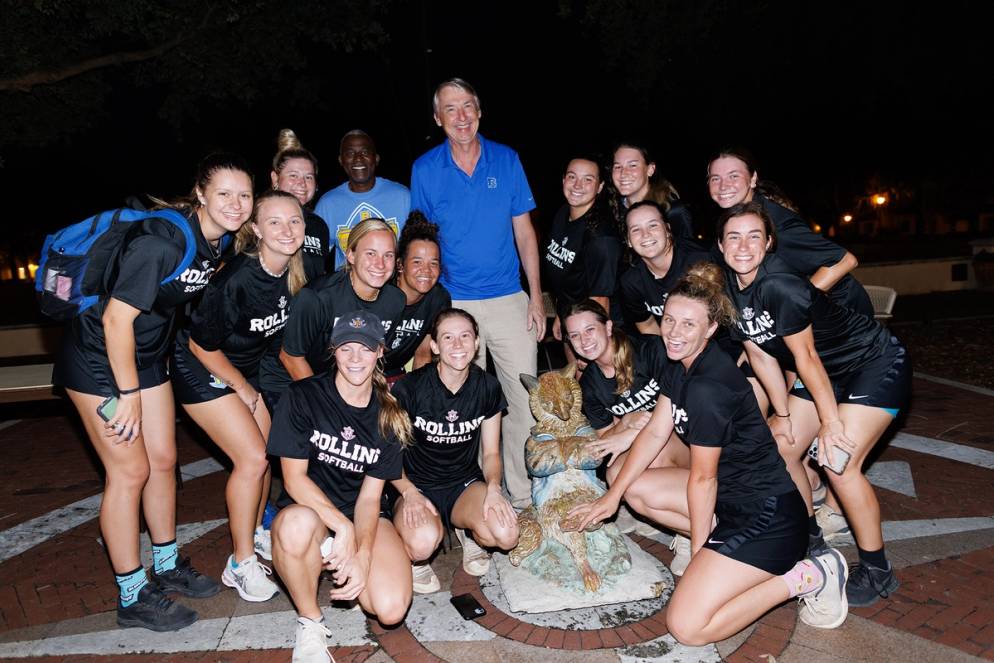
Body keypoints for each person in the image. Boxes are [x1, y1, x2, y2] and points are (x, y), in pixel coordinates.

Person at [569, 264, 849, 644]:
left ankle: (811, 575)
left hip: (766, 516)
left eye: (688, 324)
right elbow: (654, 432)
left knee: (687, 626)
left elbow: (704, 479)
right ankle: (721, 552)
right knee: (632, 486)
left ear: (711, 329)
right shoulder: (677, 364)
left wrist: (700, 553)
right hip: (729, 504)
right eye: (669, 320)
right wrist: (610, 498)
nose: (674, 332)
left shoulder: (708, 388)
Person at [51, 152, 253, 631]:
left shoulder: (218, 240)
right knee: (130, 470)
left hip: (145, 359)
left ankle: (165, 567)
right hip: (98, 360)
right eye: (224, 193)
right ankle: (131, 592)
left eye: (244, 195)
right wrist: (128, 395)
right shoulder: (162, 240)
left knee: (164, 460)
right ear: (200, 193)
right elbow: (116, 319)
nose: (235, 204)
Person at [718, 201, 912, 608]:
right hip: (823, 372)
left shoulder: (781, 285)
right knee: (782, 444)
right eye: (733, 236)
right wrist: (784, 415)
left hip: (872, 363)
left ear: (769, 243)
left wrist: (829, 423)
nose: (743, 246)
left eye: (755, 236)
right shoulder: (728, 289)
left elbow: (805, 358)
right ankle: (809, 539)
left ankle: (878, 570)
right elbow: (759, 352)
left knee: (837, 461)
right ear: (720, 245)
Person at [410, 77, 544, 508]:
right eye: (451, 109)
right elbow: (421, 238)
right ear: (438, 119)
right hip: (455, 303)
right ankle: (472, 497)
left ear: (479, 111)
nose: (461, 116)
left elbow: (524, 232)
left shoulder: (506, 160)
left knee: (523, 401)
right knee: (465, 407)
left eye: (468, 106)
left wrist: (536, 295)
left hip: (508, 298)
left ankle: (522, 498)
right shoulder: (425, 168)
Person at [171, 190, 307, 603]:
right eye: (275, 222)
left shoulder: (295, 272)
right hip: (200, 364)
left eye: (295, 221)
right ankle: (239, 563)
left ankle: (256, 534)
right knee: (250, 458)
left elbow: (277, 343)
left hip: (241, 368)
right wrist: (245, 390)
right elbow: (201, 345)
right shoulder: (238, 278)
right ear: (255, 230)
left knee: (268, 451)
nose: (287, 230)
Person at [268, 311, 412, 663]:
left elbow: (369, 498)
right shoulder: (302, 396)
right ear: (333, 351)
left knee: (390, 610)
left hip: (363, 513)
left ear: (380, 352)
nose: (355, 358)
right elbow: (293, 479)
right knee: (293, 526)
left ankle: (335, 557)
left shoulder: (389, 414)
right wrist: (341, 526)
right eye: (346, 348)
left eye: (364, 349)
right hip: (311, 509)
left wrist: (362, 554)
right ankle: (310, 622)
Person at [390, 309, 518, 593]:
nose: (458, 345)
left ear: (476, 344)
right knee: (421, 544)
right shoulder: (409, 388)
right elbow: (386, 454)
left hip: (463, 484)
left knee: (507, 534)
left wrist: (495, 488)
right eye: (448, 337)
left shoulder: (487, 386)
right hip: (417, 485)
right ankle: (415, 559)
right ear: (434, 346)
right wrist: (408, 492)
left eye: (465, 337)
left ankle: (469, 531)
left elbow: (491, 454)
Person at [563, 299, 694, 573]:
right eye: (575, 335)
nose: (583, 340)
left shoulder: (649, 349)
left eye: (590, 330)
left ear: (608, 327)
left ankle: (689, 534)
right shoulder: (588, 383)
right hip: (648, 439)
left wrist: (634, 429)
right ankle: (690, 526)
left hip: (686, 437)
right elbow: (605, 439)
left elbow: (682, 404)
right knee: (616, 475)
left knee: (647, 459)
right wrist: (626, 423)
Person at [707, 148, 872, 317]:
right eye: (715, 178)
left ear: (753, 179)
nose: (723, 185)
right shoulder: (736, 219)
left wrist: (792, 304)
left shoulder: (775, 221)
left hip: (842, 314)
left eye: (733, 176)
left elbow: (844, 261)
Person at [258, 217, 405, 407]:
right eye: (370, 253)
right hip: (287, 379)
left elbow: (374, 357)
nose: (380, 264)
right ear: (350, 255)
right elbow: (291, 357)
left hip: (337, 381)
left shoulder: (396, 301)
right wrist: (327, 405)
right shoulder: (317, 297)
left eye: (388, 255)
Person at [542, 155, 623, 347]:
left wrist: (589, 343)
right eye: (572, 177)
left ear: (600, 187)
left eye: (588, 179)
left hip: (591, 326)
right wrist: (560, 316)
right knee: (573, 377)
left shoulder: (601, 237)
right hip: (569, 315)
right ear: (563, 180)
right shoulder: (562, 213)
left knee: (588, 375)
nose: (578, 185)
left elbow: (600, 299)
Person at [315, 130, 410, 270]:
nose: (358, 158)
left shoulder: (402, 196)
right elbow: (314, 258)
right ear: (341, 160)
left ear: (376, 158)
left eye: (365, 152)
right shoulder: (328, 204)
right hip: (346, 287)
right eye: (350, 153)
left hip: (394, 286)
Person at [618, 201, 712, 336]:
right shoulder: (631, 281)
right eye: (636, 229)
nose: (646, 234)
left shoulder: (702, 259)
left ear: (667, 230)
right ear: (628, 241)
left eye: (653, 225)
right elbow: (647, 324)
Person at [383, 212, 451, 381]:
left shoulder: (438, 299)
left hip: (395, 374)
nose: (426, 270)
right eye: (417, 262)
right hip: (360, 372)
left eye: (433, 263)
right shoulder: (381, 292)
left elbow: (422, 354)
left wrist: (414, 396)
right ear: (400, 264)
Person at [271, 128, 329, 280]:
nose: (302, 183)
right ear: (275, 179)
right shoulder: (257, 221)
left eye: (308, 177)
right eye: (293, 175)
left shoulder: (318, 225)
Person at [611, 141, 693, 239]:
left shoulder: (673, 211)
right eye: (617, 167)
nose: (623, 173)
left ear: (650, 170)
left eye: (632, 165)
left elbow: (688, 251)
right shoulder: (612, 210)